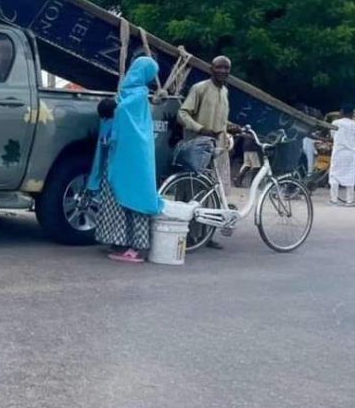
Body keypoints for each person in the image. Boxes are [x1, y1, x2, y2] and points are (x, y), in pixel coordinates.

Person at [89, 56, 164, 263]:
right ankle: (118, 240)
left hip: (130, 158)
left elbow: (122, 114)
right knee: (115, 199)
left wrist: (110, 109)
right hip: (120, 156)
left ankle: (137, 247)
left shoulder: (137, 96)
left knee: (132, 199)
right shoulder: (128, 93)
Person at [176, 55, 241, 248]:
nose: (223, 71)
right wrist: (199, 128)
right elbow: (182, 113)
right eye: (219, 68)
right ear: (211, 69)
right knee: (191, 191)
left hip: (217, 149)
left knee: (212, 191)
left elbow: (221, 120)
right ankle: (186, 233)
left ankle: (206, 235)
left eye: (226, 68)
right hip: (197, 146)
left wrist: (233, 127)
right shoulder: (200, 88)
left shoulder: (225, 92)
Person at [329, 105, 355, 206]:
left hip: (338, 151)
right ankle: (349, 201)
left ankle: (333, 200)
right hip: (350, 153)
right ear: (352, 114)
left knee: (334, 175)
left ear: (342, 112)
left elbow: (332, 135)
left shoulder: (335, 123)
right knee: (350, 175)